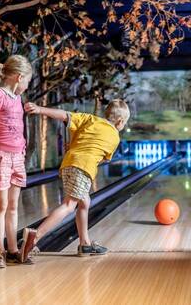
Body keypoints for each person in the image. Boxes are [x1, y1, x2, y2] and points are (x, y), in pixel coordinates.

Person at [20, 99, 130, 262]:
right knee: (69, 205)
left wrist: (40, 109)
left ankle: (84, 244)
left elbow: (65, 115)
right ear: (120, 122)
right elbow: (100, 158)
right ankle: (34, 238)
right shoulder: (115, 137)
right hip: (83, 168)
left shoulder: (90, 119)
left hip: (68, 164)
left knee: (85, 202)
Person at [0, 55, 32, 268]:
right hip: (0, 156)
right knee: (0, 205)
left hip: (18, 157)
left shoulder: (17, 98)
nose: (27, 86)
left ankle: (12, 250)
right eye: (27, 81)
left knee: (12, 206)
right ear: (19, 77)